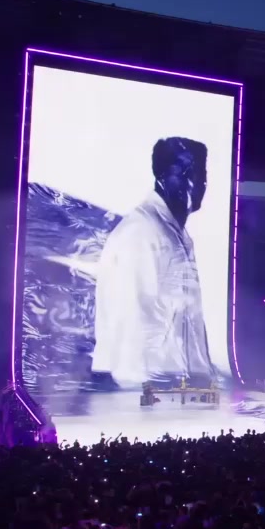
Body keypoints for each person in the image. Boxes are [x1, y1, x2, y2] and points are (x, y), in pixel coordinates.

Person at [91, 137, 215, 389]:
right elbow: (133, 322)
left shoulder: (172, 233)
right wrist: (146, 389)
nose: (196, 183)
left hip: (170, 388)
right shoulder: (142, 232)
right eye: (184, 174)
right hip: (145, 390)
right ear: (161, 177)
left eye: (201, 174)